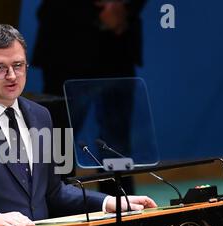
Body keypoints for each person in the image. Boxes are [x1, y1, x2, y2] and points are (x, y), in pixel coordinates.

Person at [0, 24, 156, 226]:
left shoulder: (41, 116)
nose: (12, 76)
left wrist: (108, 202)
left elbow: (53, 192)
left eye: (18, 65)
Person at [32, 0, 147, 195]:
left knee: (116, 144)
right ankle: (55, 208)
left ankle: (121, 212)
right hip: (64, 41)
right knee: (59, 143)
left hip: (116, 46)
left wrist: (124, 6)